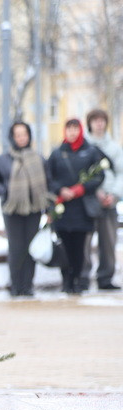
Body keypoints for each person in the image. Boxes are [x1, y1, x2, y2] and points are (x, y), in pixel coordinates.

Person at [0, 121, 52, 297]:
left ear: (29, 136)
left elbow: (48, 184)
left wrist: (50, 209)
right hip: (12, 209)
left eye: (24, 134)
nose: (22, 138)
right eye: (18, 135)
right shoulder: (2, 160)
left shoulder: (38, 159)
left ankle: (27, 286)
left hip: (34, 209)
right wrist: (5, 192)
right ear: (12, 138)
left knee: (31, 247)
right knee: (16, 247)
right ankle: (16, 285)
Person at [47, 118, 104, 294]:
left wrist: (81, 188)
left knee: (79, 246)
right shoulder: (57, 153)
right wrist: (60, 190)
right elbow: (49, 178)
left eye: (75, 129)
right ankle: (66, 280)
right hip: (62, 207)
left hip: (82, 207)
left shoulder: (91, 151)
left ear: (80, 130)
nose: (72, 132)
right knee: (64, 245)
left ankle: (78, 279)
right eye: (69, 129)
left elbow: (99, 176)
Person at [80, 109, 123, 291]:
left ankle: (105, 277)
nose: (99, 124)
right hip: (89, 200)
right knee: (84, 241)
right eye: (95, 120)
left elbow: (121, 173)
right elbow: (80, 174)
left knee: (108, 241)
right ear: (89, 123)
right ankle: (82, 277)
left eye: (102, 120)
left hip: (110, 201)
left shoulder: (114, 148)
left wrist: (113, 194)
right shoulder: (83, 147)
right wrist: (96, 192)